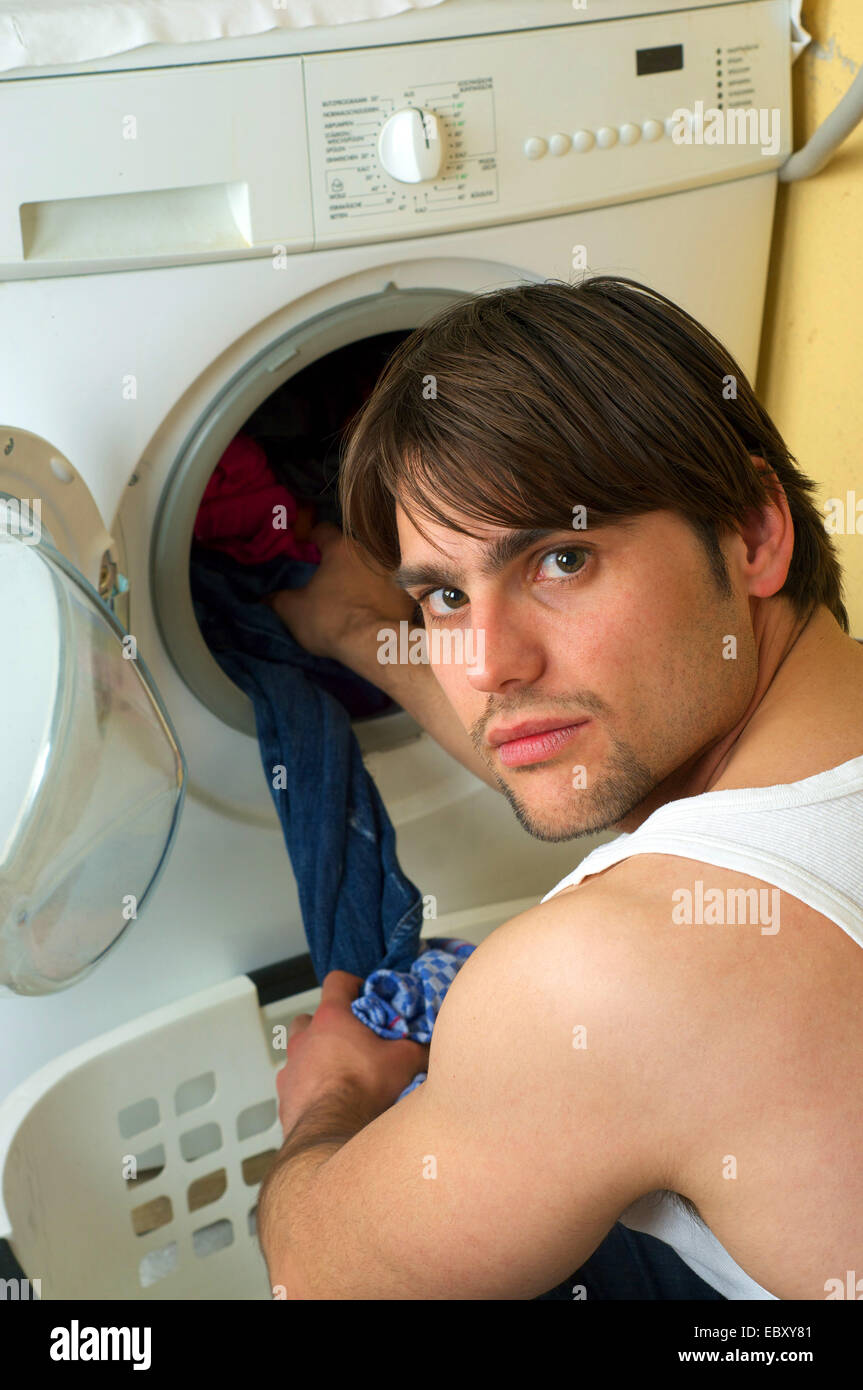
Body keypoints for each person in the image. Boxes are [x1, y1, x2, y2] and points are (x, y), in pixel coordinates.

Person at [256, 276, 863, 1300]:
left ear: (754, 532)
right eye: (444, 595)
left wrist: (333, 1102)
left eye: (561, 559)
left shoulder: (610, 975)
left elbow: (320, 1279)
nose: (486, 665)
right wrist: (364, 631)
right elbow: (604, 747)